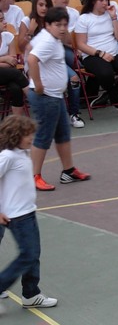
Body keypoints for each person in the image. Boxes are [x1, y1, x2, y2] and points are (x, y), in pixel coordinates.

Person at [26, 6, 90, 191]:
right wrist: (38, 84)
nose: (62, 28)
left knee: (63, 134)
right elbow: (32, 59)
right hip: (46, 97)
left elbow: (29, 47)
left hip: (55, 96)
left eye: (64, 25)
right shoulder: (48, 41)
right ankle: (34, 176)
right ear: (47, 25)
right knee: (43, 137)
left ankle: (68, 170)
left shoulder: (47, 37)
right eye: (57, 25)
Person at [0, 116, 58, 314]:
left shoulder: (22, 152)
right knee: (28, 255)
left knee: (33, 253)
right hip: (17, 216)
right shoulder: (8, 156)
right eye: (27, 134)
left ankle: (31, 293)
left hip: (27, 211)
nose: (31, 138)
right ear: (15, 135)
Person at [48, 0, 86, 127]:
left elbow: (71, 40)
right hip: (50, 55)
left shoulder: (74, 13)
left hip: (68, 50)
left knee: (80, 64)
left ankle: (73, 111)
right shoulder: (48, 15)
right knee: (74, 77)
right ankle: (73, 114)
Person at [0, 14, 29, 118]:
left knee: (16, 88)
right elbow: (9, 60)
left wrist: (6, 61)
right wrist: (4, 58)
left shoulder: (8, 36)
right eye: (0, 20)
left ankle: (18, 122)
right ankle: (35, 100)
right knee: (16, 73)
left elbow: (13, 61)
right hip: (9, 73)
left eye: (3, 19)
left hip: (7, 73)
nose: (5, 22)